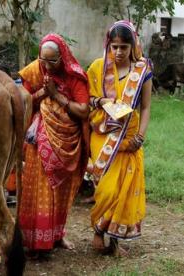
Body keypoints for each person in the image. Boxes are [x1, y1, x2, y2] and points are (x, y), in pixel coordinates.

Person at [17, 34, 90, 253]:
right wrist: (43, 93)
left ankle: (57, 236)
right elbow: (22, 100)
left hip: (67, 144)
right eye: (43, 60)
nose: (47, 66)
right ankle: (36, 241)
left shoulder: (74, 76)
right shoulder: (34, 71)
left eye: (53, 61)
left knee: (60, 192)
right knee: (40, 188)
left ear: (63, 57)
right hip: (38, 140)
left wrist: (57, 96)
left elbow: (84, 110)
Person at [87, 20, 152, 256]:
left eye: (124, 47)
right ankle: (98, 230)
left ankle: (113, 241)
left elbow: (145, 107)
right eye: (114, 46)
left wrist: (141, 136)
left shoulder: (141, 71)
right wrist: (102, 102)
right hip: (103, 135)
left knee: (123, 189)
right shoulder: (97, 68)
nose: (118, 52)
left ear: (132, 45)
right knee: (106, 188)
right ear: (108, 45)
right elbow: (88, 101)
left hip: (130, 136)